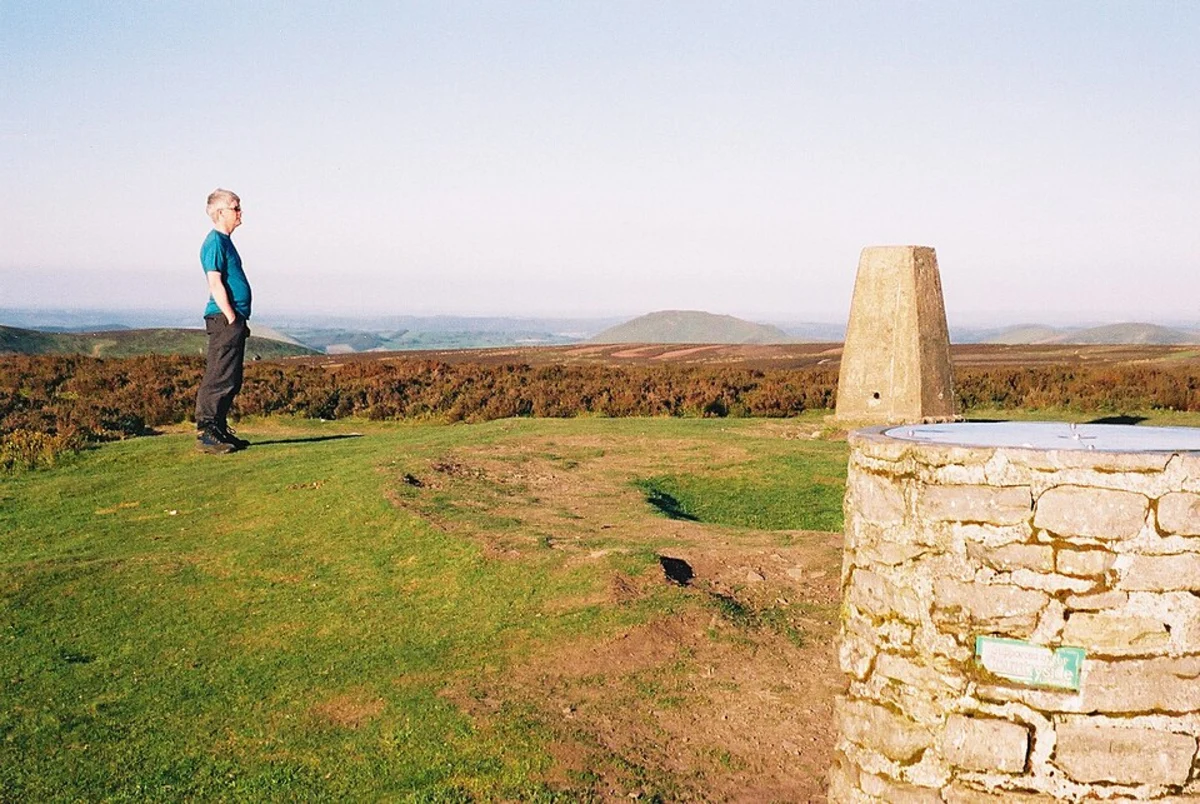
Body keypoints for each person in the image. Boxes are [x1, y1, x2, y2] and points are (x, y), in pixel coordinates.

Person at [194, 188, 253, 454]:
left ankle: (218, 429)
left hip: (233, 318)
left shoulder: (225, 242)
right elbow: (215, 282)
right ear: (220, 213)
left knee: (231, 377)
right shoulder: (215, 242)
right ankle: (207, 432)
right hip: (224, 319)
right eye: (235, 207)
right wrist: (231, 317)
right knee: (219, 375)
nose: (240, 212)